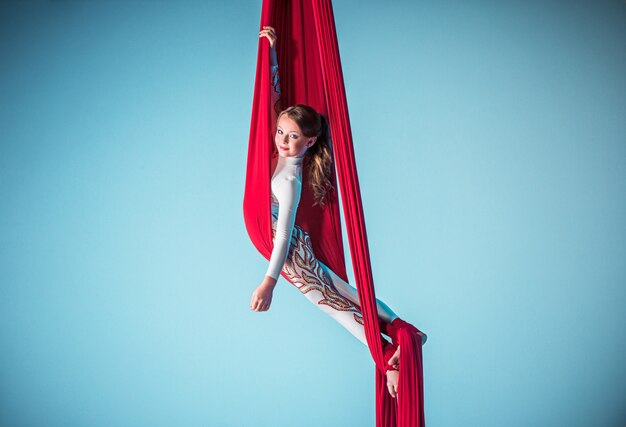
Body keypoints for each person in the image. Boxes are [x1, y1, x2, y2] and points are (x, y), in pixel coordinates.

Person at [251, 26, 426, 399]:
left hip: (292, 257)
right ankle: (400, 328)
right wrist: (272, 54)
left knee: (338, 307)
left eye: (293, 136)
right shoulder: (281, 153)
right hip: (299, 251)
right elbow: (273, 100)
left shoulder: (290, 182)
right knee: (345, 293)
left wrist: (270, 281)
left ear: (310, 141)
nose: (282, 140)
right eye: (281, 133)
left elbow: (281, 235)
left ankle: (390, 360)